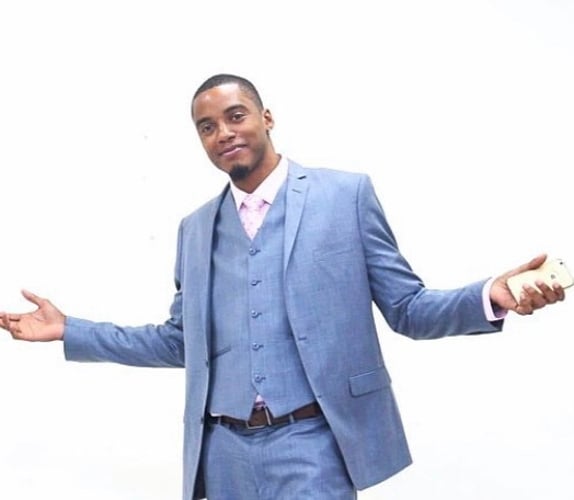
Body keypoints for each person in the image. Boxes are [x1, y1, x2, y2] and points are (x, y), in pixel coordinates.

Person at [0, 73, 566, 500]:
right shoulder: (194, 230)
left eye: (235, 116)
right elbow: (180, 342)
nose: (224, 133)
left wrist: (492, 295)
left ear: (266, 117)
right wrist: (70, 330)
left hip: (314, 445)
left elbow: (408, 308)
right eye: (207, 127)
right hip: (221, 454)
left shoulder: (345, 196)